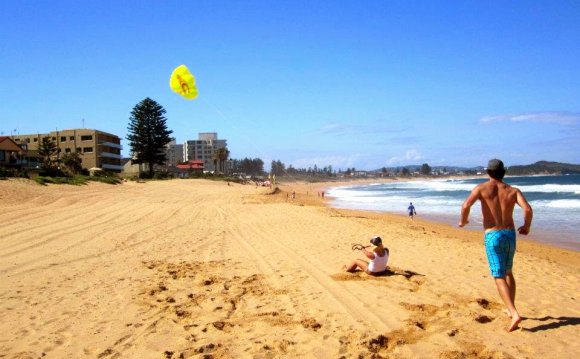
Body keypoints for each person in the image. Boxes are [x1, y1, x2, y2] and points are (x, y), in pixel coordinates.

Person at [458, 159, 533, 332]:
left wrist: (463, 221)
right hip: (509, 234)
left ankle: (514, 313)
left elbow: (466, 205)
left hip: (493, 235)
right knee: (508, 272)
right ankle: (509, 307)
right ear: (503, 172)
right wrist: (527, 226)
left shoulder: (481, 188)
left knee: (498, 275)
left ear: (488, 172)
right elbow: (527, 209)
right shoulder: (513, 191)